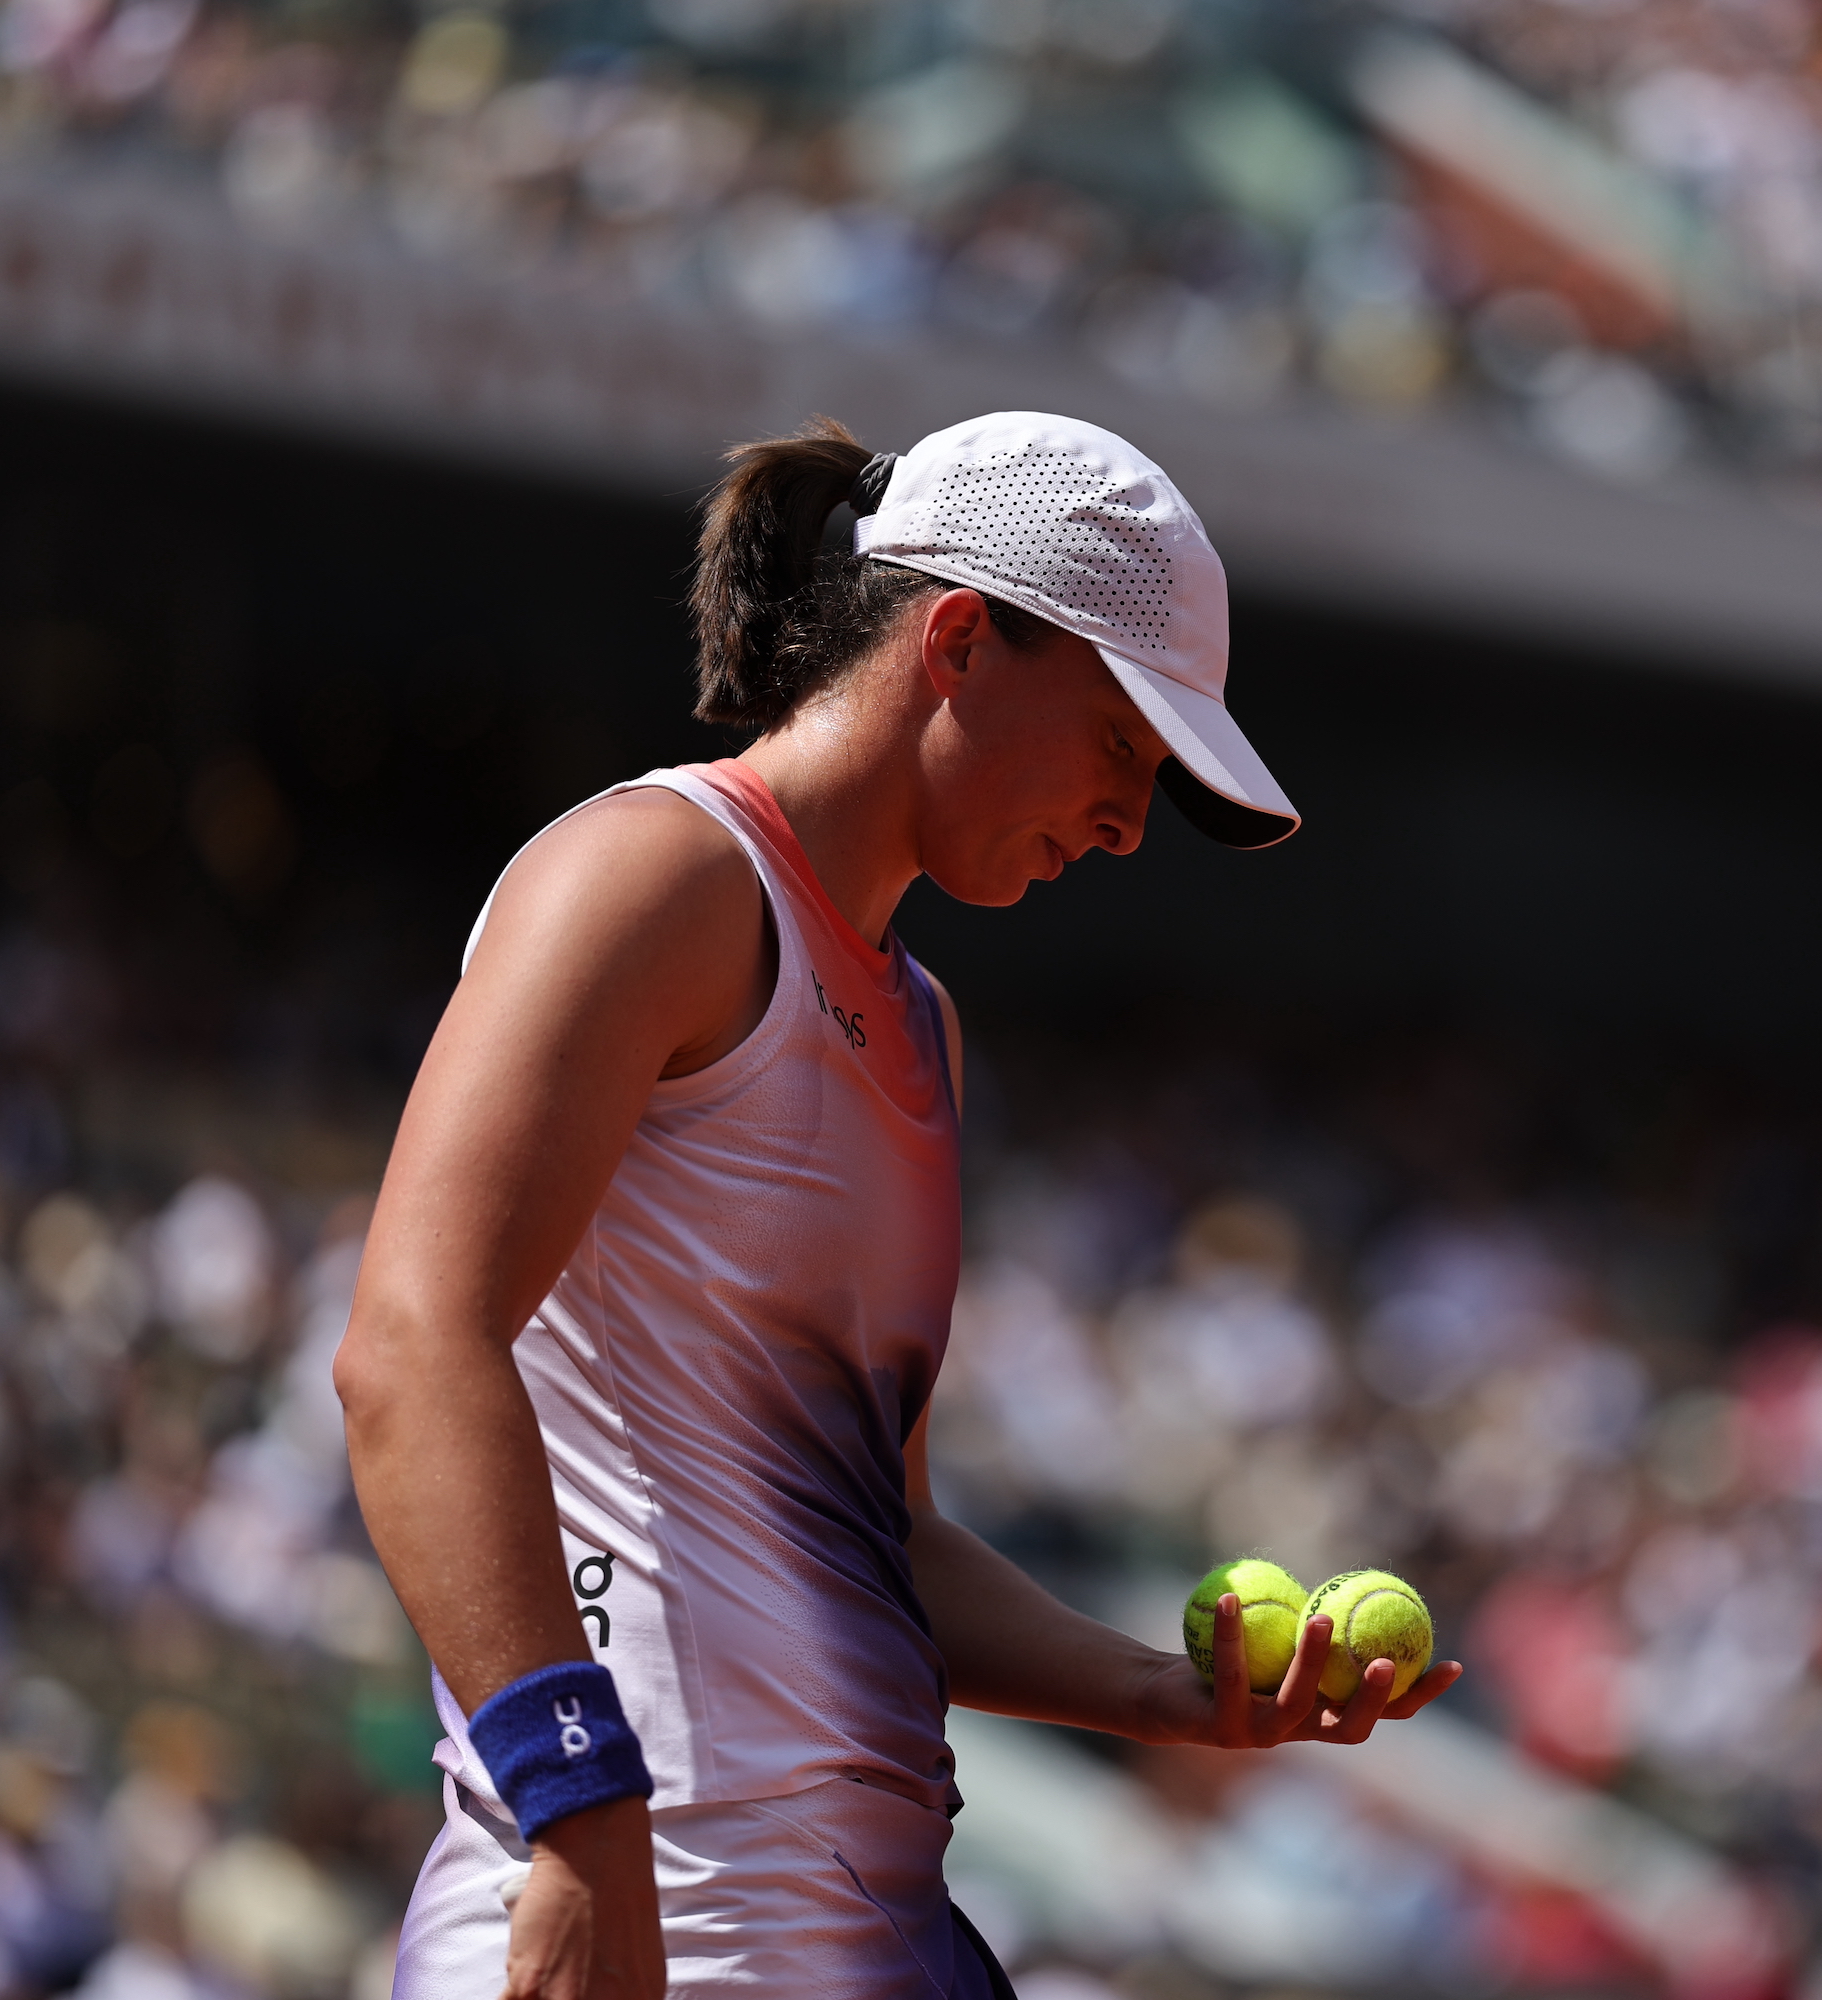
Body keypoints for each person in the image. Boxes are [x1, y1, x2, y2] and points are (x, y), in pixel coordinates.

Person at [335, 411, 1462, 1999]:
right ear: (958, 641)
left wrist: (1170, 1698)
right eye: (1123, 746)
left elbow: (889, 1544)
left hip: (865, 1939)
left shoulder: (922, 1027)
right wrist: (579, 1813)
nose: (1132, 820)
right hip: (654, 1927)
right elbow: (410, 1349)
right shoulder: (655, 877)